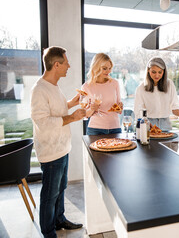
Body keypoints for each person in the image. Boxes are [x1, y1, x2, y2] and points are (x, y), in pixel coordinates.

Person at [30, 46, 86, 238]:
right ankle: (48, 232)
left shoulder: (53, 86)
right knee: (49, 195)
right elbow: (43, 122)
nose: (68, 65)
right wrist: (72, 117)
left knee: (61, 188)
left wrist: (73, 102)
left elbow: (58, 108)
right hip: (51, 151)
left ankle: (59, 219)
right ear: (56, 64)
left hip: (62, 148)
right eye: (66, 62)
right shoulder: (39, 89)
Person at [134, 57, 179, 131]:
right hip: (149, 123)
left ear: (164, 72)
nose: (157, 75)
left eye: (160, 72)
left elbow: (174, 106)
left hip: (166, 123)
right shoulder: (141, 88)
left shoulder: (169, 84)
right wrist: (149, 126)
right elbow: (138, 112)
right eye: (153, 72)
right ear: (148, 70)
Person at [81, 53, 123, 135]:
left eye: (110, 68)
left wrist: (120, 107)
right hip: (95, 129)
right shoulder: (86, 87)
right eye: (104, 68)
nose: (108, 71)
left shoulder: (115, 83)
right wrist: (92, 109)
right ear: (96, 67)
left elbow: (119, 109)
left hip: (115, 127)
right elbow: (85, 115)